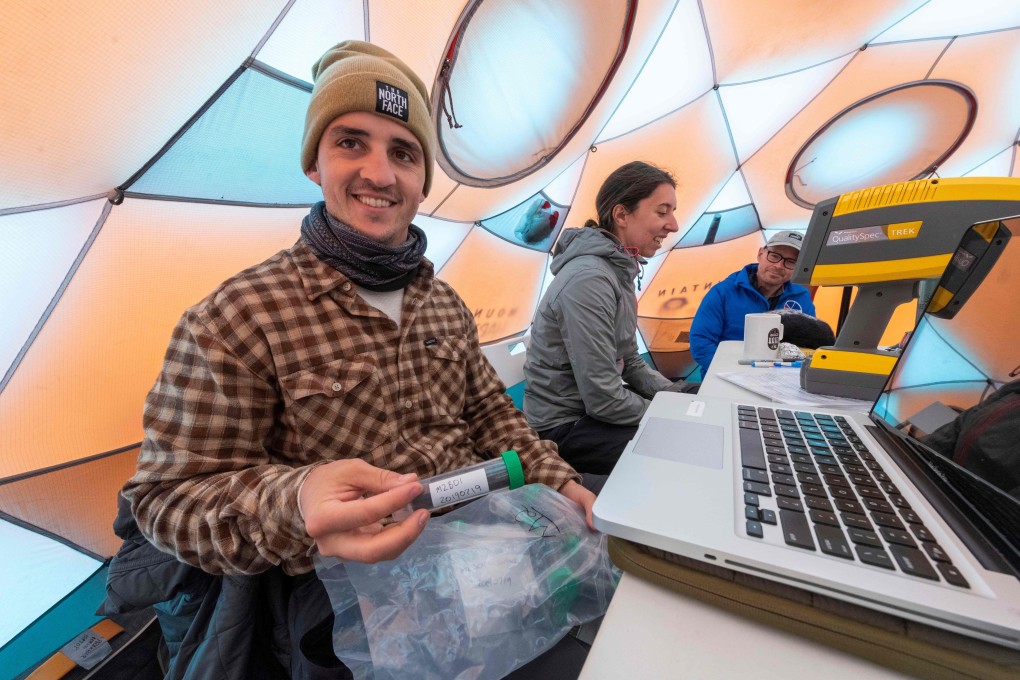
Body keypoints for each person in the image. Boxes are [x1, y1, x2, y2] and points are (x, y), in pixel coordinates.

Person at [111, 40, 595, 678]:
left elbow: (490, 415)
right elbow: (164, 499)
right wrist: (298, 498)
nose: (379, 173)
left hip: (475, 561)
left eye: (403, 152)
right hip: (344, 605)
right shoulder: (239, 315)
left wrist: (559, 481)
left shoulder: (441, 302)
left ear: (423, 177)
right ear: (314, 161)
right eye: (350, 142)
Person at [523, 161, 682, 475]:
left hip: (592, 411)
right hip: (563, 426)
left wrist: (677, 397)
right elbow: (604, 399)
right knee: (685, 445)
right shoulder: (589, 280)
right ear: (622, 215)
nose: (674, 225)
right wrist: (671, 414)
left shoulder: (618, 269)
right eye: (662, 212)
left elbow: (630, 360)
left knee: (698, 399)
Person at [688, 230, 816, 374]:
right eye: (774, 256)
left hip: (779, 380)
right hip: (723, 376)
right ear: (761, 254)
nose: (779, 265)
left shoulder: (801, 297)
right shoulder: (723, 292)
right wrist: (735, 373)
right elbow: (701, 343)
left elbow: (809, 345)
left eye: (791, 262)